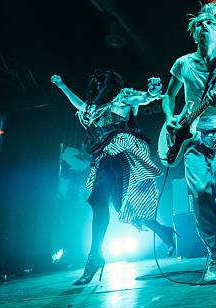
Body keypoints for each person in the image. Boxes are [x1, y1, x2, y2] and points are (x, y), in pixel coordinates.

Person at [51, 69, 177, 285]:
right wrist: (63, 87)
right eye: (96, 82)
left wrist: (153, 91)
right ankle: (163, 231)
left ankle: (94, 257)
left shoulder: (121, 96)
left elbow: (146, 97)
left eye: (102, 81)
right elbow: (79, 105)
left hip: (121, 152)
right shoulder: (92, 108)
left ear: (110, 83)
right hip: (103, 156)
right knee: (121, 207)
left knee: (100, 201)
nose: (98, 85)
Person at [162, 1, 216, 283]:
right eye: (198, 23)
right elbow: (169, 96)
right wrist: (170, 118)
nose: (203, 26)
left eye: (208, 22)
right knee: (200, 192)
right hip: (193, 139)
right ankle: (215, 255)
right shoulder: (183, 63)